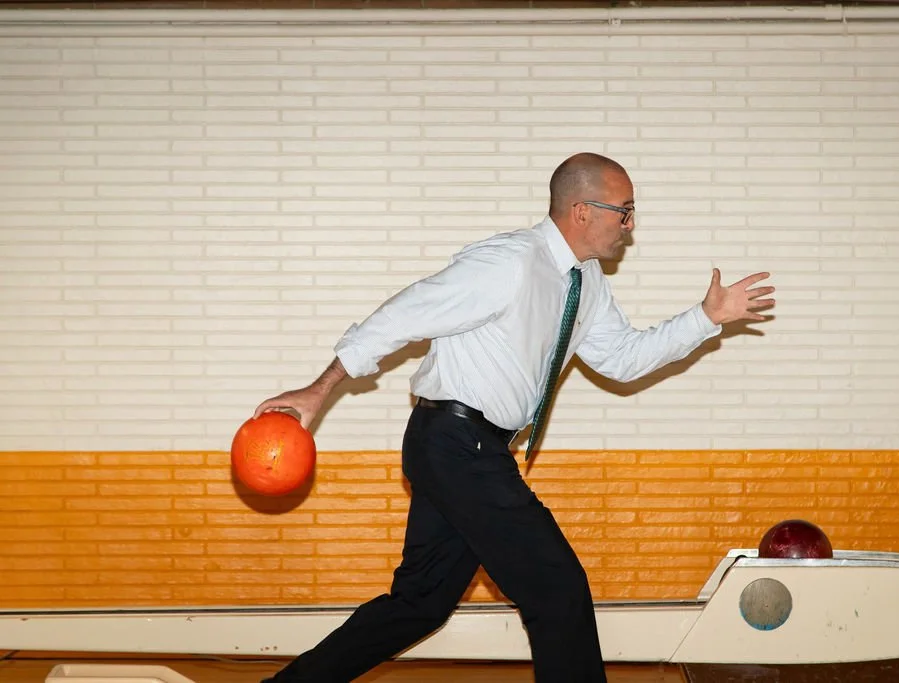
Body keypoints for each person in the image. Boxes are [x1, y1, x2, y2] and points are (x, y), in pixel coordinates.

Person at [254, 152, 774, 682]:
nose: (630, 225)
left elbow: (623, 360)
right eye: (624, 210)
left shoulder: (586, 283)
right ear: (581, 211)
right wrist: (320, 390)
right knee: (557, 587)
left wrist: (705, 319)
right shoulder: (509, 262)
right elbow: (402, 315)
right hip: (456, 442)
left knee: (420, 603)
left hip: (465, 449)